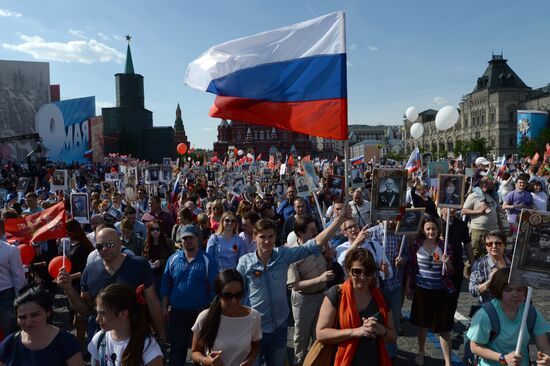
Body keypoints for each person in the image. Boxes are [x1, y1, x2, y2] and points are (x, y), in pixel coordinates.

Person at [237, 209, 348, 366]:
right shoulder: (244, 262)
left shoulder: (283, 255)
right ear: (254, 237)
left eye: (271, 236)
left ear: (276, 236)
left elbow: (314, 244)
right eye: (262, 237)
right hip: (255, 328)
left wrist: (338, 221)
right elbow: (237, 295)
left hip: (279, 327)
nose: (267, 241)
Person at [56, 227, 166, 344]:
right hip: (105, 343)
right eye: (99, 246)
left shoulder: (139, 265)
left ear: (120, 244)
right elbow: (86, 309)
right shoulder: (89, 271)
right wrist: (68, 289)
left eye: (110, 244)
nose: (104, 249)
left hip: (136, 337)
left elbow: (152, 302)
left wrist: (161, 334)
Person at [316, 247, 396, 365]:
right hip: (342, 360)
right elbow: (321, 333)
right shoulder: (336, 294)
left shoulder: (381, 297)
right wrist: (355, 332)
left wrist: (381, 330)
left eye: (368, 272)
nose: (363, 277)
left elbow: (392, 336)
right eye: (357, 272)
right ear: (348, 271)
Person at [467, 268, 550, 366]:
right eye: (508, 290)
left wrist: (546, 358)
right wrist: (503, 358)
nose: (515, 294)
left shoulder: (530, 313)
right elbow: (475, 347)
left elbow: (544, 347)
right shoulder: (485, 314)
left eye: (519, 290)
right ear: (499, 291)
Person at [160, 224, 218, 366]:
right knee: (177, 350)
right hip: (177, 312)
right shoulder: (173, 259)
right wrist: (164, 308)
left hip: (199, 312)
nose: (187, 241)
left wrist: (210, 310)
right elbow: (165, 286)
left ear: (197, 239)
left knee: (200, 350)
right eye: (184, 238)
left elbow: (214, 288)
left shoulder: (207, 260)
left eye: (190, 238)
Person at [405, 217, 455, 366]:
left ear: (438, 230)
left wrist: (448, 262)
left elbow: (451, 271)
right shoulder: (416, 245)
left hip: (441, 290)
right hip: (422, 290)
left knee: (444, 327)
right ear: (423, 230)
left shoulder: (444, 246)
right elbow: (411, 268)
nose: (431, 231)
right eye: (428, 229)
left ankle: (448, 361)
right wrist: (408, 286)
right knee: (423, 324)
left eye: (433, 228)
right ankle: (421, 351)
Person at [287, 215, 334, 366]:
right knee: (301, 336)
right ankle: (299, 361)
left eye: (316, 229)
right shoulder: (292, 254)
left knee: (319, 333)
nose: (316, 233)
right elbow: (295, 285)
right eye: (311, 230)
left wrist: (329, 258)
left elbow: (325, 265)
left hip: (321, 296)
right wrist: (319, 279)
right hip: (303, 300)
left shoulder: (319, 246)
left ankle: (316, 361)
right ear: (300, 233)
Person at [191, 269, 261, 366]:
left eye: (238, 295)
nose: (234, 301)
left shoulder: (253, 317)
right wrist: (206, 360)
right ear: (219, 294)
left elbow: (256, 345)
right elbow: (195, 352)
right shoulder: (205, 317)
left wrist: (250, 360)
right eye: (227, 296)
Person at [0, 286, 85, 366]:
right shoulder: (9, 343)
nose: (28, 322)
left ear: (48, 312)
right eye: (22, 317)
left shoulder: (66, 342)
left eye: (35, 315)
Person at [88, 283, 163, 366]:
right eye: (97, 313)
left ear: (123, 314)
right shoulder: (99, 340)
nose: (97, 319)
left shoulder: (147, 346)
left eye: (102, 313)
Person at [0, 218, 25, 339]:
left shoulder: (10, 250)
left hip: (6, 296)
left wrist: (19, 299)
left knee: (8, 330)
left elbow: (18, 276)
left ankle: (10, 355)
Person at [462, 177, 499, 259]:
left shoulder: (492, 196)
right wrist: (478, 211)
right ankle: (469, 271)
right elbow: (463, 211)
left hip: (492, 231)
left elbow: (496, 212)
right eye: (491, 183)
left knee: (488, 256)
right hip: (478, 231)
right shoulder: (473, 196)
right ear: (484, 185)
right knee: (474, 255)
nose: (493, 185)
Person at [469, 230, 510, 304]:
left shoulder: (512, 262)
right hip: (490, 307)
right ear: (485, 246)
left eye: (498, 243)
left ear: (504, 245)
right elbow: (473, 290)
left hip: (512, 306)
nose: (494, 246)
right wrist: (490, 282)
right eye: (489, 244)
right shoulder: (480, 264)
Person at [143, 220, 175, 297]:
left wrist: (160, 263)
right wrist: (147, 263)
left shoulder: (168, 243)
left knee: (163, 299)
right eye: (152, 229)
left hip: (164, 275)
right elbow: (143, 258)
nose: (155, 231)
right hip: (151, 276)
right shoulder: (146, 243)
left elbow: (174, 260)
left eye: (157, 229)